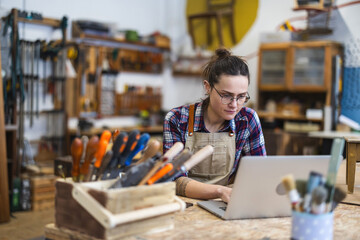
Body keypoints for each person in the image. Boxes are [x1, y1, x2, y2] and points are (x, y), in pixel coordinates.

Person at [163, 48, 266, 203]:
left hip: (226, 203)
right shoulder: (178, 119)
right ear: (208, 87)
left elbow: (259, 173)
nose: (234, 104)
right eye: (226, 95)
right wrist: (219, 191)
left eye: (241, 96)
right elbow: (172, 178)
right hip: (184, 204)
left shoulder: (247, 120)